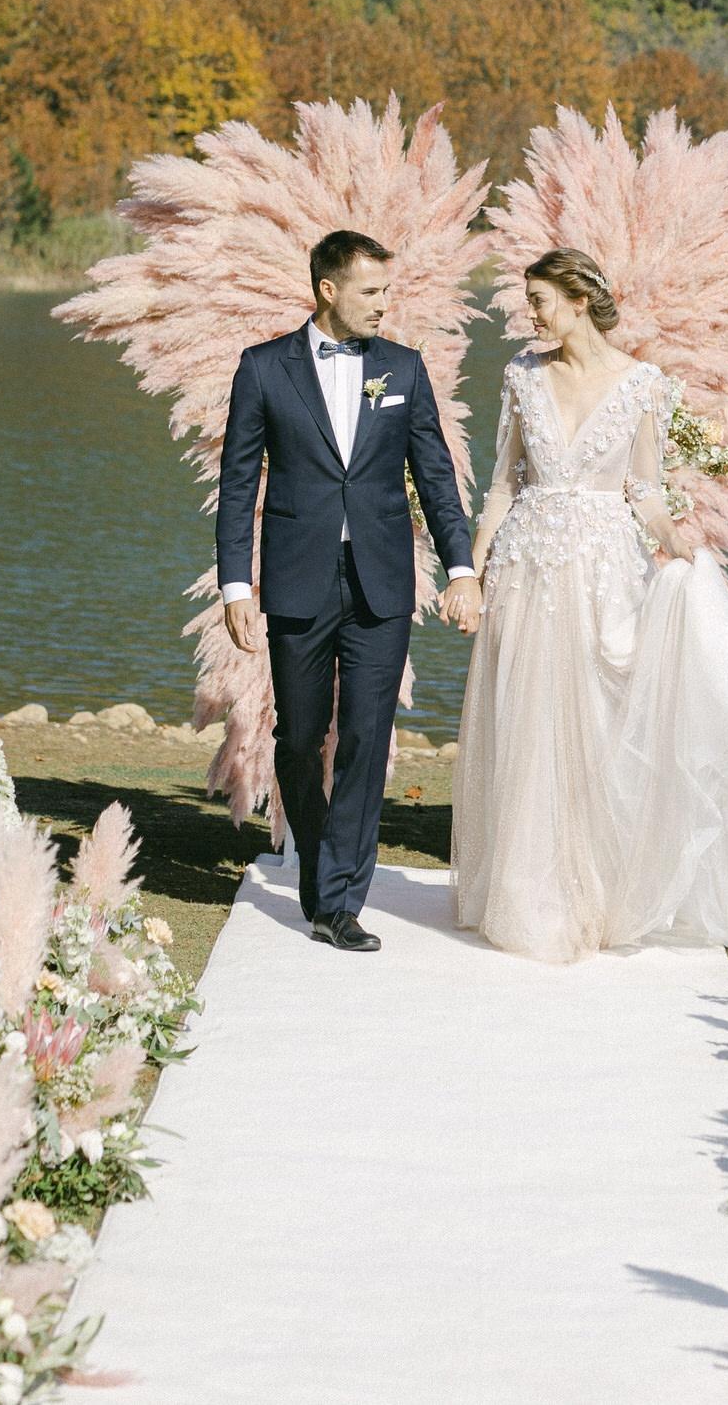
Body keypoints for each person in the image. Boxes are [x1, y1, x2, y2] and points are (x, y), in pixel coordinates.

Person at [449, 246, 728, 965]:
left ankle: (604, 889)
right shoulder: (521, 376)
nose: (530, 314)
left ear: (579, 301)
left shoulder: (642, 383)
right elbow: (500, 483)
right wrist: (473, 568)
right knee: (527, 726)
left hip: (607, 572)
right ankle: (530, 894)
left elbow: (641, 488)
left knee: (604, 724)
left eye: (540, 300)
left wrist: (674, 538)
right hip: (527, 568)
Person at [216, 229, 475, 952]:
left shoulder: (403, 368)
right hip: (297, 578)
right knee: (298, 740)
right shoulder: (263, 369)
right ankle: (321, 863)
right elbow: (238, 484)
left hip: (381, 580)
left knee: (366, 733)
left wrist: (460, 567)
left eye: (387, 291)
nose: (384, 305)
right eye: (371, 291)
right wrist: (236, 583)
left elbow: (435, 477)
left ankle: (339, 898)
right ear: (328, 290)